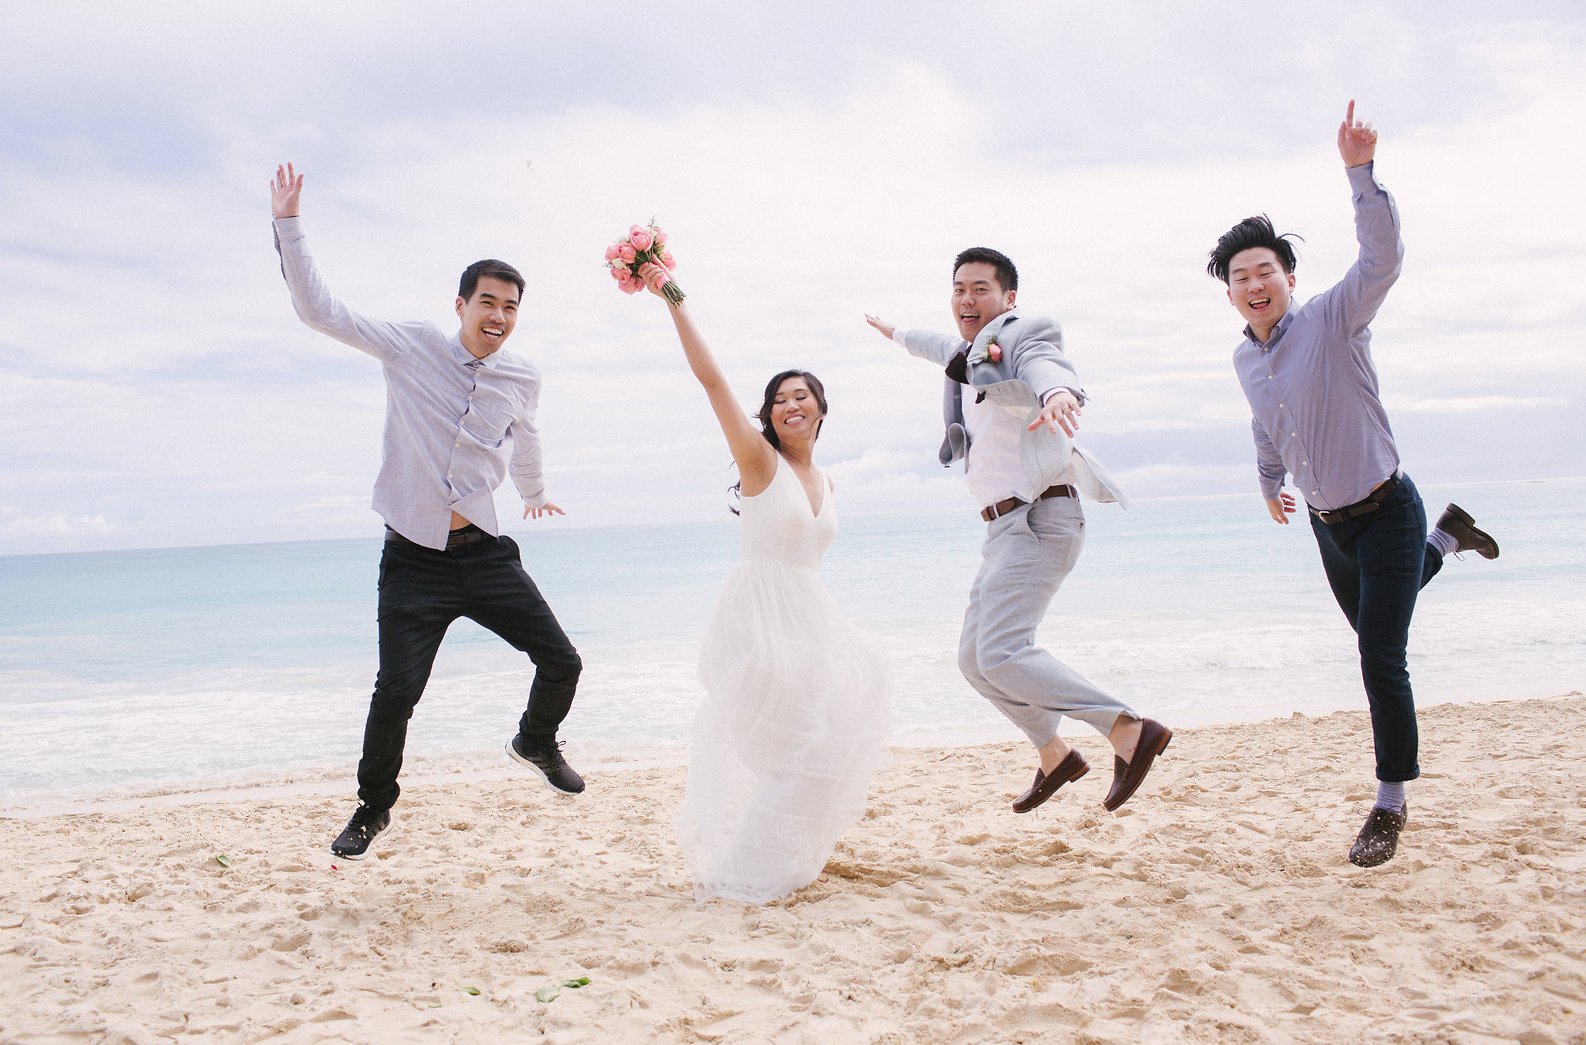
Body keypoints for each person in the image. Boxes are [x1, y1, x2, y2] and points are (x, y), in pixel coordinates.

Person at [1206, 102, 1499, 868]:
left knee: (1379, 655)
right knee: (1378, 624)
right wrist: (1269, 479)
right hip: (1330, 526)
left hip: (1387, 506)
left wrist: (1360, 174)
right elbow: (1265, 422)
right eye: (1241, 277)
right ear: (1231, 293)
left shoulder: (1336, 317)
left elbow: (1382, 259)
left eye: (1265, 269)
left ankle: (1390, 802)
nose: (1254, 282)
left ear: (1288, 278)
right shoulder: (1244, 360)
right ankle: (1452, 533)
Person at [269, 163, 585, 862]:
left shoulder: (522, 374)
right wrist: (288, 224)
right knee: (395, 694)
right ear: (462, 303)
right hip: (412, 560)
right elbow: (322, 312)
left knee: (562, 660)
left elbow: (527, 434)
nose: (498, 317)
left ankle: (535, 738)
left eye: (510, 308)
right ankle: (373, 807)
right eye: (488, 302)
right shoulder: (410, 346)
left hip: (485, 552)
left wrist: (533, 494)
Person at [865, 249, 1170, 816]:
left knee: (1003, 652)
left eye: (980, 289)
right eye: (958, 289)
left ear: (1008, 299)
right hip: (1003, 530)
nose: (966, 299)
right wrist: (896, 332)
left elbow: (1043, 360)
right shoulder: (969, 353)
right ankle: (1054, 753)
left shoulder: (1022, 333)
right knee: (975, 661)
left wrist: (1058, 394)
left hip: (1039, 518)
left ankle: (1127, 728)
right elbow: (941, 348)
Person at [634, 261, 892, 903]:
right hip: (756, 623)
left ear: (822, 408)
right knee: (801, 752)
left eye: (801, 395)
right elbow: (712, 380)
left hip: (807, 624)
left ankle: (781, 862)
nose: (789, 405)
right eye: (778, 399)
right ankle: (740, 874)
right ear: (769, 416)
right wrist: (672, 296)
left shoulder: (828, 482)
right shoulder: (758, 460)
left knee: (822, 747)